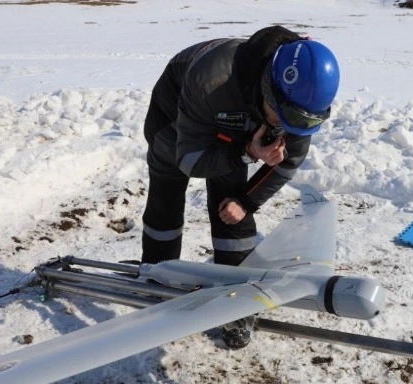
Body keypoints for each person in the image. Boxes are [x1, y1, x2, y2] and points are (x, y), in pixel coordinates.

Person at [141, 26, 340, 349]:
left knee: (232, 208)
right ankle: (155, 282)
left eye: (297, 123)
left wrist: (247, 201)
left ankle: (236, 306)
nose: (284, 128)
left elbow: (288, 162)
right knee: (167, 191)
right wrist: (246, 152)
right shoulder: (211, 81)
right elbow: (189, 161)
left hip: (238, 121)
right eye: (281, 116)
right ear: (268, 87)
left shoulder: (302, 100)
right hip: (180, 113)